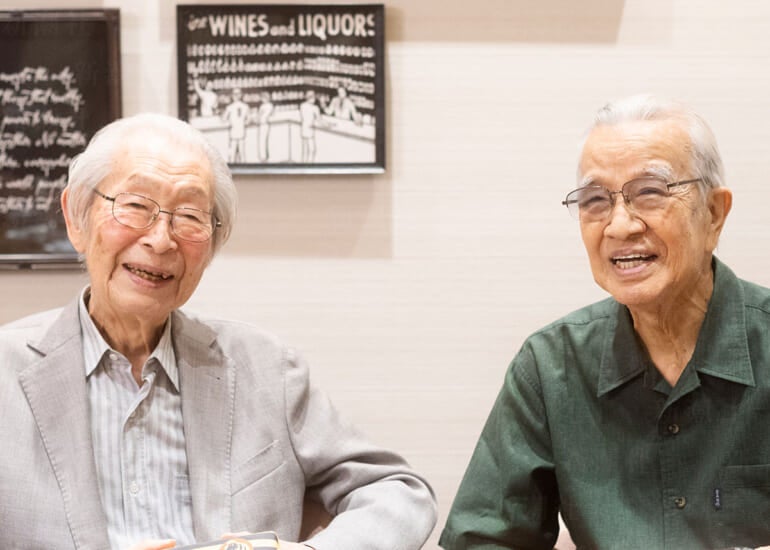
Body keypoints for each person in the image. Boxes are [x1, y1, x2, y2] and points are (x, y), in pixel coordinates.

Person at [0, 113, 437, 550]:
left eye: (190, 216)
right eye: (135, 206)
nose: (161, 240)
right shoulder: (6, 374)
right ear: (76, 219)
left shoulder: (266, 369)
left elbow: (398, 492)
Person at [440, 95, 770, 549]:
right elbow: (484, 538)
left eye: (650, 192)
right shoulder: (550, 367)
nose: (619, 226)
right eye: (595, 200)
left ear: (714, 213)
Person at [222, 88, 249, 163]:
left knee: (234, 153)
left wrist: (231, 123)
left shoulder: (230, 107)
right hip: (239, 132)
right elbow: (248, 120)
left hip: (235, 132)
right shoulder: (245, 106)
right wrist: (242, 123)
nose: (236, 96)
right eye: (234, 94)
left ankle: (234, 168)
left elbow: (224, 119)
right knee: (241, 153)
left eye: (237, 94)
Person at [299, 90, 322, 163]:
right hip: (309, 129)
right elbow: (319, 120)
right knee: (312, 149)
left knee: (305, 149)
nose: (314, 99)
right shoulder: (315, 108)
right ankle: (309, 164)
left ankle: (303, 163)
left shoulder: (302, 105)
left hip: (304, 128)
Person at [256, 91, 274, 162]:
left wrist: (259, 118)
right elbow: (259, 115)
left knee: (263, 140)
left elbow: (265, 116)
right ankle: (263, 156)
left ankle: (264, 157)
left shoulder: (269, 105)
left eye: (263, 97)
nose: (262, 99)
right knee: (261, 140)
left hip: (265, 124)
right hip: (261, 124)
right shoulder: (262, 106)